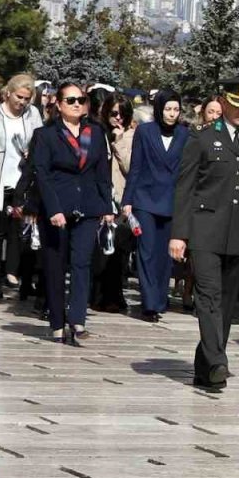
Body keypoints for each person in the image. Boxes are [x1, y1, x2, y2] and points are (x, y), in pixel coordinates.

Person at [171, 80, 239, 392]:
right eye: (236, 106)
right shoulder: (202, 138)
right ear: (222, 103)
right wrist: (179, 235)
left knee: (227, 304)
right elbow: (185, 189)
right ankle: (218, 360)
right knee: (209, 296)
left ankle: (205, 369)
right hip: (205, 230)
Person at [30, 82, 114, 345]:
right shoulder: (45, 135)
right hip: (57, 207)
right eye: (71, 100)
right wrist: (53, 208)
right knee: (55, 265)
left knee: (82, 262)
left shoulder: (96, 133)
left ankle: (78, 319)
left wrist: (106, 206)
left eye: (81, 99)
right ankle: (57, 321)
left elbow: (102, 172)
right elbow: (41, 174)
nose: (77, 104)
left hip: (88, 205)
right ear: (58, 104)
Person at [0, 74, 44, 297]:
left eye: (26, 98)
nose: (21, 102)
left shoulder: (32, 114)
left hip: (23, 179)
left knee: (24, 232)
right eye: (19, 97)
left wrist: (32, 150)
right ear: (8, 93)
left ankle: (24, 280)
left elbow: (41, 142)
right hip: (0, 179)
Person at [123, 90, 189, 322]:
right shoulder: (145, 131)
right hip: (145, 200)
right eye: (167, 109)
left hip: (173, 201)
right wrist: (127, 200)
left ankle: (160, 299)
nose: (171, 114)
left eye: (176, 109)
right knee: (147, 251)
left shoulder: (185, 134)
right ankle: (149, 303)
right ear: (159, 109)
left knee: (165, 255)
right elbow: (136, 167)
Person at [96, 93, 134, 313]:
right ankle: (97, 295)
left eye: (123, 114)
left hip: (120, 200)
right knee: (99, 253)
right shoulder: (99, 132)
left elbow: (130, 167)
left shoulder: (131, 136)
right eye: (113, 113)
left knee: (118, 252)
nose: (118, 118)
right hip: (99, 198)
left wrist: (119, 143)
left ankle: (114, 297)